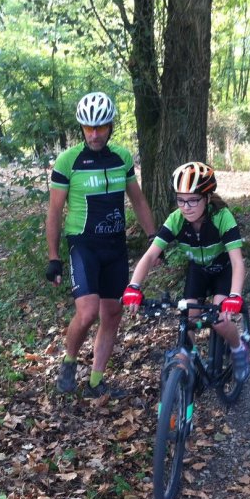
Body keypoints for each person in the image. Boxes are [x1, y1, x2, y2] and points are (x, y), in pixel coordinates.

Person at [46, 91, 157, 398]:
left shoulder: (121, 158)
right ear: (81, 128)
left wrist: (152, 238)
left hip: (115, 246)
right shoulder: (69, 161)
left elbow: (137, 199)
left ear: (110, 126)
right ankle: (69, 361)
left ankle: (96, 382)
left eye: (100, 127)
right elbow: (54, 212)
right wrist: (53, 257)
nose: (94, 134)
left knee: (112, 314)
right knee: (87, 313)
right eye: (88, 128)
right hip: (84, 245)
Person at [122, 161, 250, 382]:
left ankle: (238, 349)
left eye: (193, 200)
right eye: (180, 200)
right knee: (188, 319)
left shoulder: (222, 217)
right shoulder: (176, 219)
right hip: (198, 271)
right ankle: (188, 364)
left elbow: (237, 262)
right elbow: (151, 255)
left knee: (220, 320)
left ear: (208, 198)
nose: (186, 206)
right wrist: (133, 286)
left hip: (223, 271)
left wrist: (235, 296)